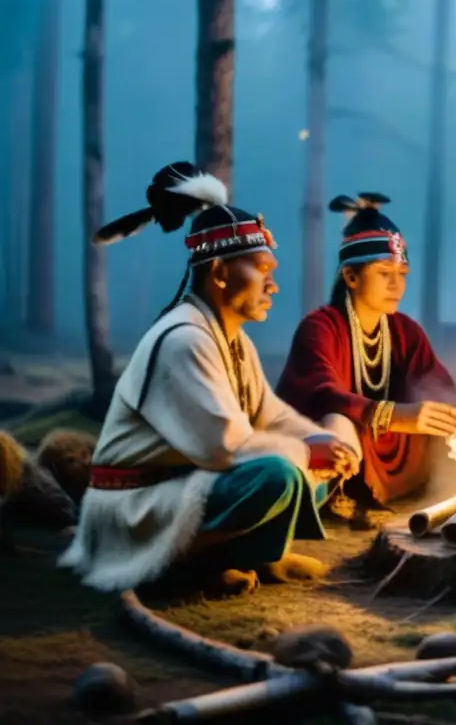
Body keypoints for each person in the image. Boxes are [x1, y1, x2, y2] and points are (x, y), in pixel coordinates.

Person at [59, 162, 360, 597]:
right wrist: (307, 450)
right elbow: (224, 445)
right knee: (278, 475)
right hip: (142, 509)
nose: (273, 286)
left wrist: (324, 443)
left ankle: (248, 555)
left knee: (329, 446)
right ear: (219, 272)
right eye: (261, 269)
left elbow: (271, 415)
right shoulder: (184, 338)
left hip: (191, 486)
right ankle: (177, 567)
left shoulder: (233, 340)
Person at [275, 193, 456, 514]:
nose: (396, 285)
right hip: (348, 444)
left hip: (395, 450)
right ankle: (336, 493)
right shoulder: (320, 327)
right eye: (383, 273)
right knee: (338, 423)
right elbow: (320, 395)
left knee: (450, 423)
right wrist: (392, 415)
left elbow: (441, 389)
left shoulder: (405, 331)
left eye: (402, 274)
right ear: (350, 277)